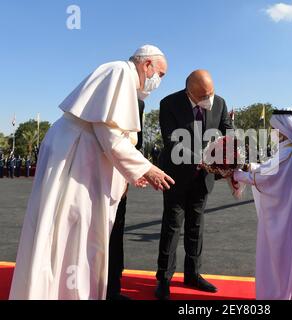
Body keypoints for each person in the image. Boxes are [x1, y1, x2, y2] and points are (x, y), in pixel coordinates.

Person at [9, 44, 175, 300]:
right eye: (160, 74)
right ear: (147, 64)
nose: (158, 81)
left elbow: (112, 136)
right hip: (75, 157)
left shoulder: (124, 80)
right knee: (70, 227)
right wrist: (147, 167)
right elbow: (110, 135)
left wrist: (131, 172)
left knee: (72, 230)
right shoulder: (120, 71)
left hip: (79, 155)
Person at [155, 70, 233, 300]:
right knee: (172, 225)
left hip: (204, 177)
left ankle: (193, 274)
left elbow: (228, 131)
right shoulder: (169, 103)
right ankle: (164, 278)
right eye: (202, 96)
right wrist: (197, 158)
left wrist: (232, 152)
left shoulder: (219, 103)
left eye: (211, 93)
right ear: (189, 91)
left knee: (196, 226)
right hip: (176, 174)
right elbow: (170, 139)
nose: (209, 99)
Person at [233, 109, 292, 300]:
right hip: (290, 212)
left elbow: (265, 179)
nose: (273, 132)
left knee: (278, 260)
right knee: (288, 259)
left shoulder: (288, 153)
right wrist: (249, 167)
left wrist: (237, 174)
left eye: (274, 128)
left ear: (283, 128)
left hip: (283, 218)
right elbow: (266, 170)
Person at [107, 81, 147, 301]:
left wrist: (132, 175)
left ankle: (113, 288)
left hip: (120, 183)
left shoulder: (138, 104)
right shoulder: (106, 99)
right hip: (95, 181)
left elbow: (134, 146)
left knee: (116, 236)